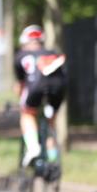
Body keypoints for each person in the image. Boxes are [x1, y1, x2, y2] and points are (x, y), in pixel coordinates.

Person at [13, 25, 68, 166]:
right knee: (51, 121)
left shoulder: (21, 55)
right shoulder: (52, 53)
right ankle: (53, 157)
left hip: (35, 86)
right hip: (58, 87)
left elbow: (20, 84)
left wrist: (20, 98)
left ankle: (33, 148)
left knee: (27, 114)